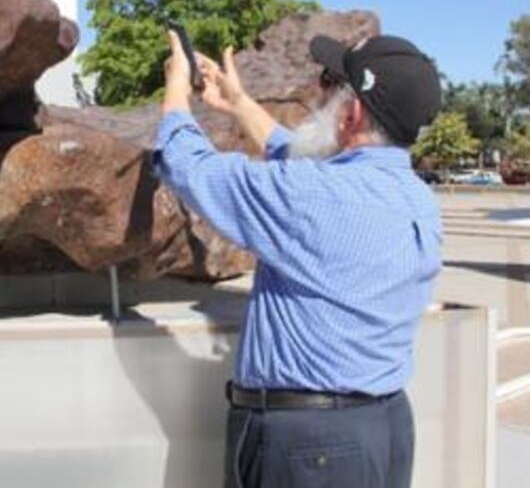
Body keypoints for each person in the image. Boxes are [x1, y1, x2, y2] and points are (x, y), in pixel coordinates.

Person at [151, 30, 443, 488]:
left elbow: (186, 164)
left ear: (352, 112)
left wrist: (176, 85)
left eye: (329, 81)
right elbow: (303, 155)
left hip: (312, 449)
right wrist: (238, 102)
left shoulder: (312, 198)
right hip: (383, 427)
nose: (317, 91)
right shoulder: (415, 198)